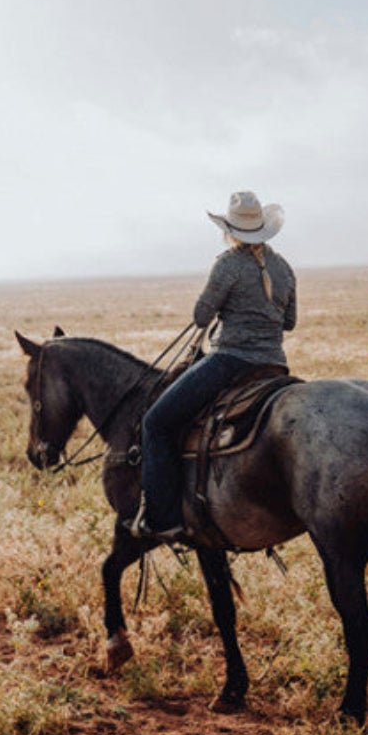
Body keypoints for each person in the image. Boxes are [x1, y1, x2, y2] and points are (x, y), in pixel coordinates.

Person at [131, 190, 297, 543]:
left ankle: (164, 519)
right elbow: (290, 321)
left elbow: (200, 316)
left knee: (156, 423)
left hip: (231, 362)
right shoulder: (284, 268)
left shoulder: (228, 264)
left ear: (230, 229)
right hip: (275, 366)